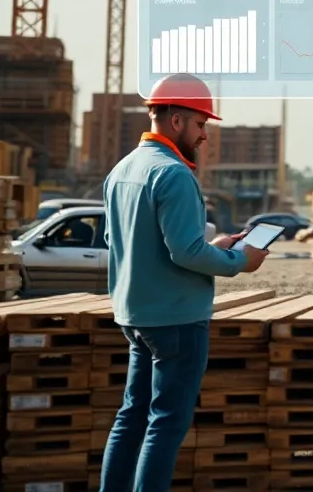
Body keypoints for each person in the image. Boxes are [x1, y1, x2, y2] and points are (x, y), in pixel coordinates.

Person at [100, 73, 269, 492]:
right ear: (176, 120)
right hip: (176, 319)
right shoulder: (173, 173)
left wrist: (211, 247)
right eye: (200, 124)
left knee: (131, 417)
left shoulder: (122, 170)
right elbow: (185, 253)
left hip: (135, 316)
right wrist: (240, 260)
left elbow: (118, 241)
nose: (204, 135)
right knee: (166, 423)